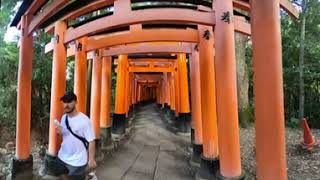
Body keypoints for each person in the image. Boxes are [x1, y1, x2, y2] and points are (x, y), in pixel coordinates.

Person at [55, 91, 97, 180]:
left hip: (77, 160)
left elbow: (91, 141)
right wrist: (60, 132)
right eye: (64, 102)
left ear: (76, 102)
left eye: (69, 101)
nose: (66, 104)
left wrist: (91, 159)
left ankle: (88, 176)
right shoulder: (64, 117)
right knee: (62, 175)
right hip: (62, 156)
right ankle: (88, 176)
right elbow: (66, 136)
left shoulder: (84, 120)